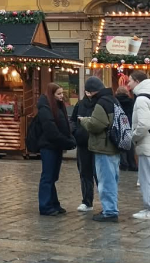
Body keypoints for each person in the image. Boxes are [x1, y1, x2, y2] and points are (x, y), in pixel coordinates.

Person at [79, 76, 121, 222]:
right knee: (112, 180)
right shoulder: (113, 100)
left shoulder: (101, 103)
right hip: (114, 145)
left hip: (104, 146)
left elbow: (95, 125)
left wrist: (84, 120)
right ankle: (111, 208)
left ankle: (110, 212)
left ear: (90, 91)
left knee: (106, 181)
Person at [36, 83, 76, 216]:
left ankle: (53, 203)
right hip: (49, 146)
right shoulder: (45, 107)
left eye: (62, 93)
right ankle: (45, 206)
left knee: (53, 176)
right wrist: (66, 141)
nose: (61, 96)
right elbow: (50, 129)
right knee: (47, 176)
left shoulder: (57, 106)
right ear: (51, 94)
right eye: (58, 94)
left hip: (56, 145)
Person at [129, 71, 150, 220]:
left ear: (137, 81)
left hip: (147, 143)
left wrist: (133, 136)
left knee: (147, 178)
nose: (128, 84)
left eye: (130, 81)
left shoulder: (142, 99)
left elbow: (143, 124)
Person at [69, 82, 98, 212]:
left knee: (99, 174)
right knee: (85, 173)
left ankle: (107, 203)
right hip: (82, 143)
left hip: (97, 144)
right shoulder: (80, 104)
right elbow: (73, 120)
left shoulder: (100, 104)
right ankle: (87, 201)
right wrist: (75, 131)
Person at [116, 85, 138, 171]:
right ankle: (132, 164)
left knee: (120, 143)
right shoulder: (131, 101)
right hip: (129, 124)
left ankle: (123, 163)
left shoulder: (115, 101)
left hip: (119, 124)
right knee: (130, 145)